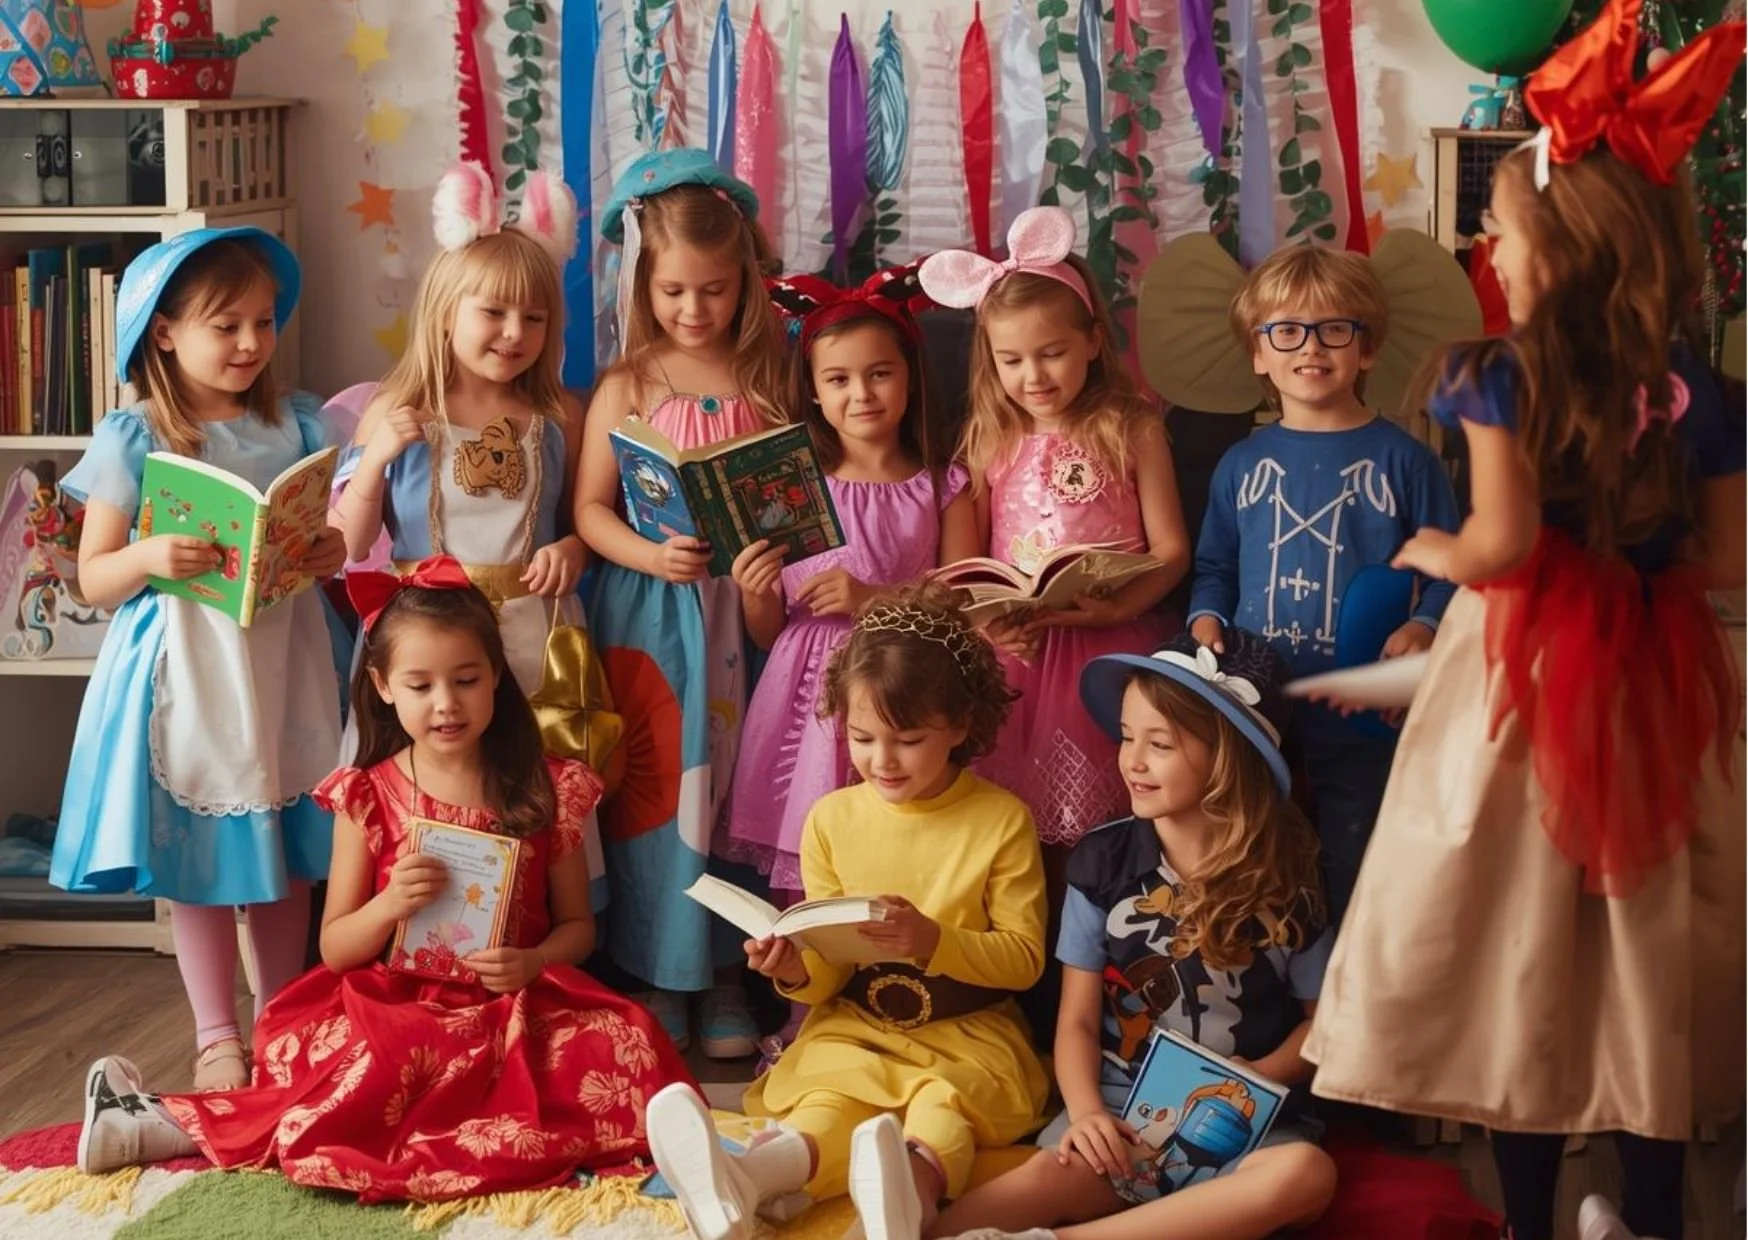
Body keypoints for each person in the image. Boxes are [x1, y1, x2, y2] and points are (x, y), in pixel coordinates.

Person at [1303, 4, 1746, 1238]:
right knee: (1640, 945)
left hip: (1520, 683)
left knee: (1515, 942)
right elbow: (1727, 558)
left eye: (1496, 229)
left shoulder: (1490, 373)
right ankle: (1651, 1216)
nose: (1486, 249)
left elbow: (1497, 546)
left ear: (1554, 246)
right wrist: (1633, 566)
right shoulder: (1700, 386)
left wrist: (1433, 549)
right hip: (1651, 676)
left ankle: (1531, 1217)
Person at [73, 560, 692, 1202]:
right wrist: (390, 904)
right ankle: (161, 1124)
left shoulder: (549, 787)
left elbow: (579, 929)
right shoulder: (366, 795)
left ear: (496, 676)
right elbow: (337, 947)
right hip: (400, 1005)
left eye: (467, 679)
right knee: (385, 1060)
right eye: (420, 685)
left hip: (515, 1001)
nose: (446, 703)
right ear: (383, 686)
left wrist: (533, 961)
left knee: (628, 1041)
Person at [644, 585, 1052, 1240]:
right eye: (862, 738)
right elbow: (829, 972)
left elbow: (1025, 960)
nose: (881, 760)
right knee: (828, 1102)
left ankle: (904, 1207)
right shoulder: (831, 818)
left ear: (960, 726)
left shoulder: (1001, 821)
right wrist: (793, 969)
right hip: (858, 1026)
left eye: (907, 740)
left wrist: (931, 939)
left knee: (940, 1106)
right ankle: (747, 1181)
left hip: (967, 1035)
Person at [50, 228, 347, 1092]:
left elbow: (322, 537)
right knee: (205, 863)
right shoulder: (137, 436)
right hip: (188, 669)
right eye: (227, 326)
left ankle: (280, 1019)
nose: (252, 342)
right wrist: (149, 557)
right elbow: (96, 577)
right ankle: (217, 1034)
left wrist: (326, 549)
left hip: (285, 659)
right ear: (166, 332)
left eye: (264, 322)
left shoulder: (295, 422)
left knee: (287, 855)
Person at [917, 631, 1335, 1240]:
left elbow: (1325, 1026)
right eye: (1126, 736)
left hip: (1245, 1123)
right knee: (1047, 1176)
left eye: (1159, 744)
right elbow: (1078, 1022)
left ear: (1228, 758)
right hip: (1123, 1116)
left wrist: (1256, 1072)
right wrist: (1087, 1113)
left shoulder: (1290, 876)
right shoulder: (1103, 864)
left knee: (1306, 1175)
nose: (1131, 760)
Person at [576, 148, 789, 1058]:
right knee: (659, 799)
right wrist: (651, 554)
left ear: (745, 282)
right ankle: (660, 972)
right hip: (652, 621)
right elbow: (590, 510)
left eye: (714, 290)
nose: (694, 310)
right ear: (642, 285)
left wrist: (765, 566)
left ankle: (730, 971)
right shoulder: (629, 384)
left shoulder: (769, 378)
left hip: (743, 619)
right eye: (672, 292)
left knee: (736, 793)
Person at [1188, 243, 1461, 923]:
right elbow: (1216, 567)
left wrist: (1424, 625)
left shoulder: (1407, 460)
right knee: (1257, 846)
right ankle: (1270, 961)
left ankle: (1351, 965)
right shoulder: (1240, 464)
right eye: (1287, 330)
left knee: (1354, 847)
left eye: (1334, 328)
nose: (1310, 346)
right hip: (1257, 694)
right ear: (1258, 352)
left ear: (1367, 349)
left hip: (1360, 698)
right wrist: (1204, 618)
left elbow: (1452, 569)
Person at [722, 264, 978, 913]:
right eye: (838, 379)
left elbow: (963, 603)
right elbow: (768, 631)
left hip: (902, 689)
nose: (861, 394)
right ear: (812, 390)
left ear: (910, 376)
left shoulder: (942, 485)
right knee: (814, 841)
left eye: (879, 373)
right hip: (807, 695)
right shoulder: (789, 484)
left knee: (898, 836)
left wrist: (871, 600)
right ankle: (813, 962)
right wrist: (754, 591)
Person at [334, 162, 590, 699]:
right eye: (493, 311)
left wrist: (573, 550)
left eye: (534, 318)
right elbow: (351, 544)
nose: (514, 332)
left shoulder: (560, 417)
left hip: (533, 641)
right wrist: (376, 458)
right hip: (423, 648)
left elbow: (581, 522)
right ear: (447, 312)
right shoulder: (397, 409)